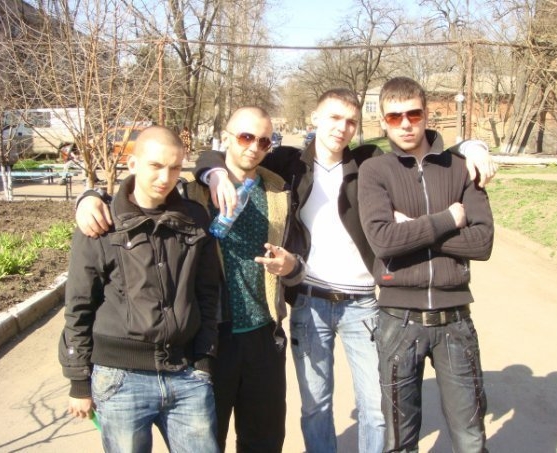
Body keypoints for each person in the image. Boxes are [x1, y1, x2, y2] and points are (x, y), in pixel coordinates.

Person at [192, 89, 497, 453]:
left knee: (376, 409)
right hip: (309, 301)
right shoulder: (290, 163)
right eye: (334, 118)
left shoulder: (368, 162)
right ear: (315, 118)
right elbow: (231, 154)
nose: (342, 128)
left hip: (363, 304)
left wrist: (472, 146)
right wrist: (213, 172)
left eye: (351, 121)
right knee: (316, 408)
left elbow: (422, 150)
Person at [74, 107, 303, 453]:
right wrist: (88, 198)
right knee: (210, 441)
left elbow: (299, 253)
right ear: (226, 138)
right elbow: (140, 194)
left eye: (264, 141)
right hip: (212, 340)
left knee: (264, 441)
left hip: (263, 335)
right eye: (245, 137)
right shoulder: (192, 192)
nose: (254, 147)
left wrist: (292, 267)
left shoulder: (278, 191)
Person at [58, 126, 220, 452]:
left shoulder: (193, 218)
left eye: (175, 167)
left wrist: (203, 360)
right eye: (155, 166)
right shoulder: (103, 222)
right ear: (132, 164)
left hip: (185, 375)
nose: (165, 177)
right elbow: (79, 304)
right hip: (121, 381)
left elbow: (207, 292)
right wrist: (78, 381)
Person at [357, 76, 494, 453]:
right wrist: (449, 220)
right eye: (394, 116)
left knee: (470, 437)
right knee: (399, 440)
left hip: (455, 322)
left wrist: (414, 229)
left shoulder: (461, 167)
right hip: (398, 322)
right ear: (383, 122)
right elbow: (383, 239)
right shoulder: (375, 171)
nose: (405, 123)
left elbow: (482, 243)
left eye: (413, 114)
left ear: (426, 114)